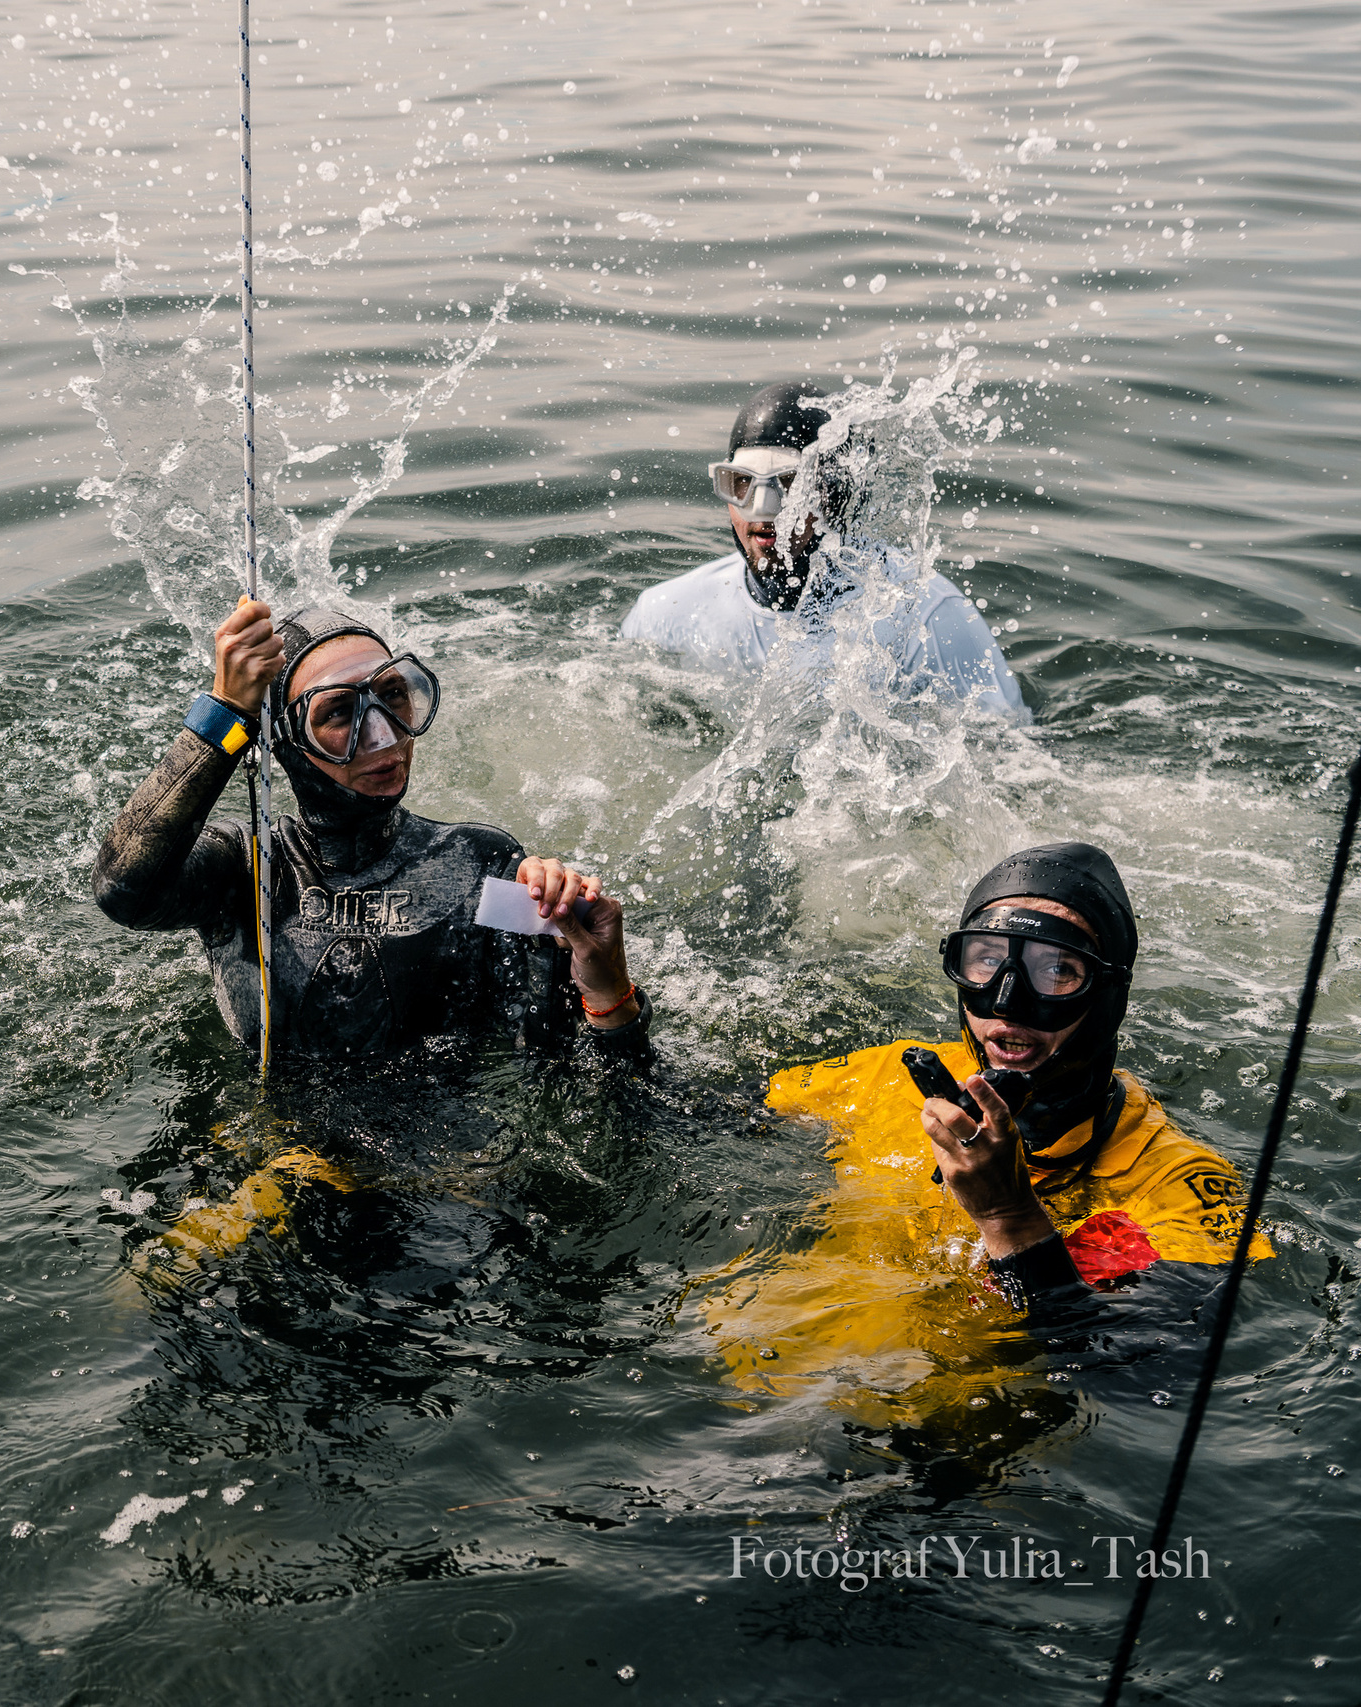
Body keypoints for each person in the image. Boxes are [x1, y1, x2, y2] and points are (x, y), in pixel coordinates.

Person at [697, 842, 1269, 1429]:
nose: (1006, 1000)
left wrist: (1010, 1216)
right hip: (730, 1399)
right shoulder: (885, 1076)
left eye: (1057, 970)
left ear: (1105, 995)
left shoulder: (1171, 1178)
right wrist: (611, 999)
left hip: (923, 1449)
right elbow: (693, 1126)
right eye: (988, 959)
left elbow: (1148, 1378)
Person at [95, 601, 648, 1061]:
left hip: (440, 1178)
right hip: (271, 1161)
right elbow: (124, 890)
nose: (384, 735)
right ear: (286, 742)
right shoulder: (245, 871)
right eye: (339, 713)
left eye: (394, 696)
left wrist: (604, 984)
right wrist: (224, 712)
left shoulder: (478, 865)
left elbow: (571, 1075)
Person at [620, 380, 1029, 724]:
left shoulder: (929, 620)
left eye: (790, 485)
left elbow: (1008, 757)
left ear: (835, 496)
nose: (762, 509)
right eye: (741, 483)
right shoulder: (665, 614)